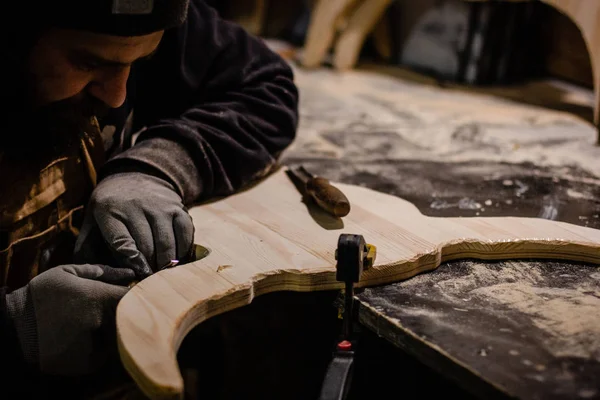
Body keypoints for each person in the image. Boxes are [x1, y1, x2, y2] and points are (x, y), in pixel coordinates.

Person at [0, 0, 299, 395]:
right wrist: (15, 329)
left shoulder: (153, 18)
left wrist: (154, 168)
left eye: (141, 61)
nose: (118, 96)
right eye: (88, 64)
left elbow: (264, 86)